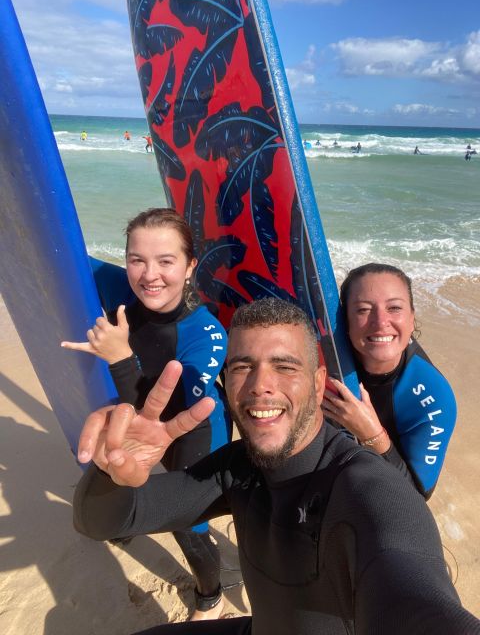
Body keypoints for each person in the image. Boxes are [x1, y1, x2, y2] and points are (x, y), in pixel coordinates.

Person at [73, 298, 480, 635]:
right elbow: (100, 522)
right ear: (226, 382)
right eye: (242, 367)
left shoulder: (366, 485)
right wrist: (112, 473)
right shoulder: (238, 467)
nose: (259, 385)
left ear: (319, 384)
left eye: (285, 366)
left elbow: (416, 603)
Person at [62, 208, 230, 621]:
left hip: (195, 433)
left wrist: (120, 359)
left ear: (190, 267)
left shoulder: (206, 335)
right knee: (121, 471)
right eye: (137, 259)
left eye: (166, 261)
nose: (149, 275)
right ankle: (123, 522)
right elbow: (57, 253)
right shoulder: (118, 286)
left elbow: (167, 411)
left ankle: (211, 596)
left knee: (187, 525)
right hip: (138, 422)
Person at [322, 263, 456, 500]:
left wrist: (370, 432)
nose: (380, 322)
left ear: (412, 319)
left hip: (387, 483)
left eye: (394, 308)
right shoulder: (324, 358)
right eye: (363, 310)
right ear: (345, 322)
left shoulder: (435, 398)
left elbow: (416, 497)